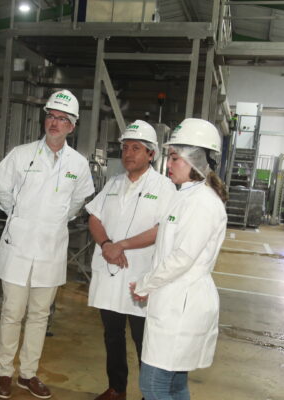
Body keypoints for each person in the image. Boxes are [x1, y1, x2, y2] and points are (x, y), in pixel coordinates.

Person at [0, 89, 95, 399]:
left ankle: (28, 374)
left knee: (39, 315)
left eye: (62, 119)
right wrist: (19, 216)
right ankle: (4, 372)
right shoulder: (22, 154)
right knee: (12, 312)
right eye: (51, 116)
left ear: (72, 126)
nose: (54, 122)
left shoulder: (78, 164)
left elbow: (78, 201)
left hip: (51, 247)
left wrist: (53, 221)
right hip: (18, 246)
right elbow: (2, 189)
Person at [129, 118, 228, 400]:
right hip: (174, 300)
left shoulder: (202, 202)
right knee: (173, 386)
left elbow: (182, 257)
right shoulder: (185, 195)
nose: (168, 164)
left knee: (153, 387)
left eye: (175, 158)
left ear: (195, 160)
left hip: (182, 306)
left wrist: (145, 284)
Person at [86, 121, 176, 400]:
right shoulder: (113, 183)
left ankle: (150, 393)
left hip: (141, 277)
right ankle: (117, 388)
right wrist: (106, 245)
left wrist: (121, 245)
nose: (128, 153)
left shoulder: (164, 187)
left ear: (151, 154)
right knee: (112, 335)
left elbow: (163, 229)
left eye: (136, 148)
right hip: (110, 273)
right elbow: (94, 217)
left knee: (144, 339)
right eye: (125, 148)